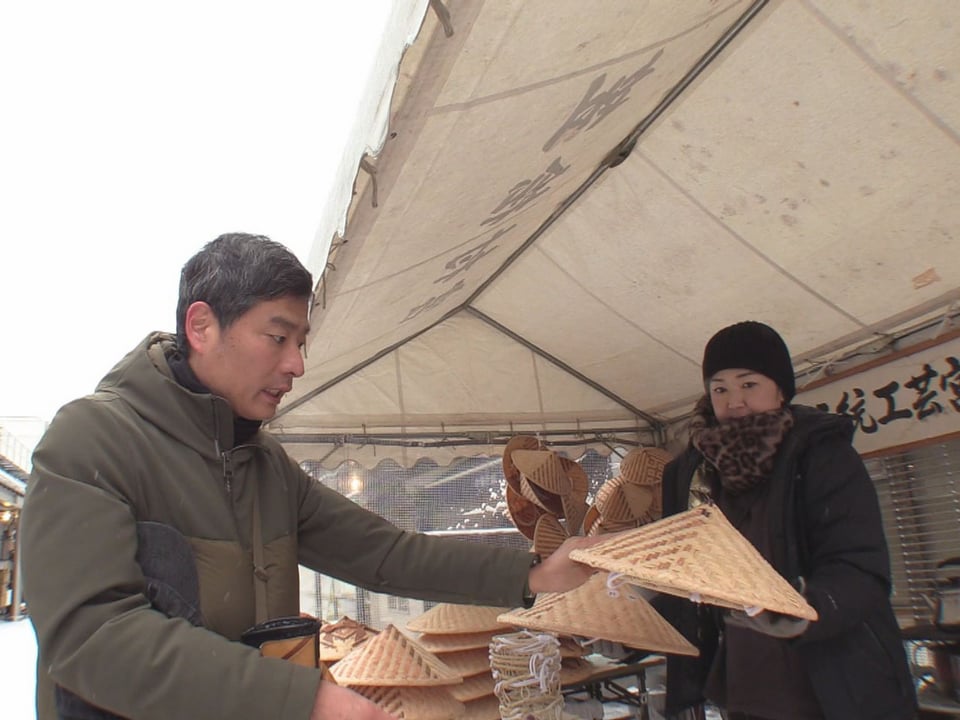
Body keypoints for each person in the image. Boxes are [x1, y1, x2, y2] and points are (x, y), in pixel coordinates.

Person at [21, 233, 602, 720]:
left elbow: (384, 554)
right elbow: (91, 637)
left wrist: (533, 574)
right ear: (201, 326)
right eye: (278, 338)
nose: (296, 364)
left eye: (300, 343)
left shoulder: (266, 465)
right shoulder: (93, 440)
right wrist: (302, 700)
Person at [658, 321, 916, 720]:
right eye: (720, 389)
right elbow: (683, 576)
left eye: (749, 384)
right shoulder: (694, 474)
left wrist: (803, 608)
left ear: (781, 390)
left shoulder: (823, 456)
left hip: (837, 688)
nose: (734, 402)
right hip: (745, 690)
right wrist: (636, 611)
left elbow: (861, 567)